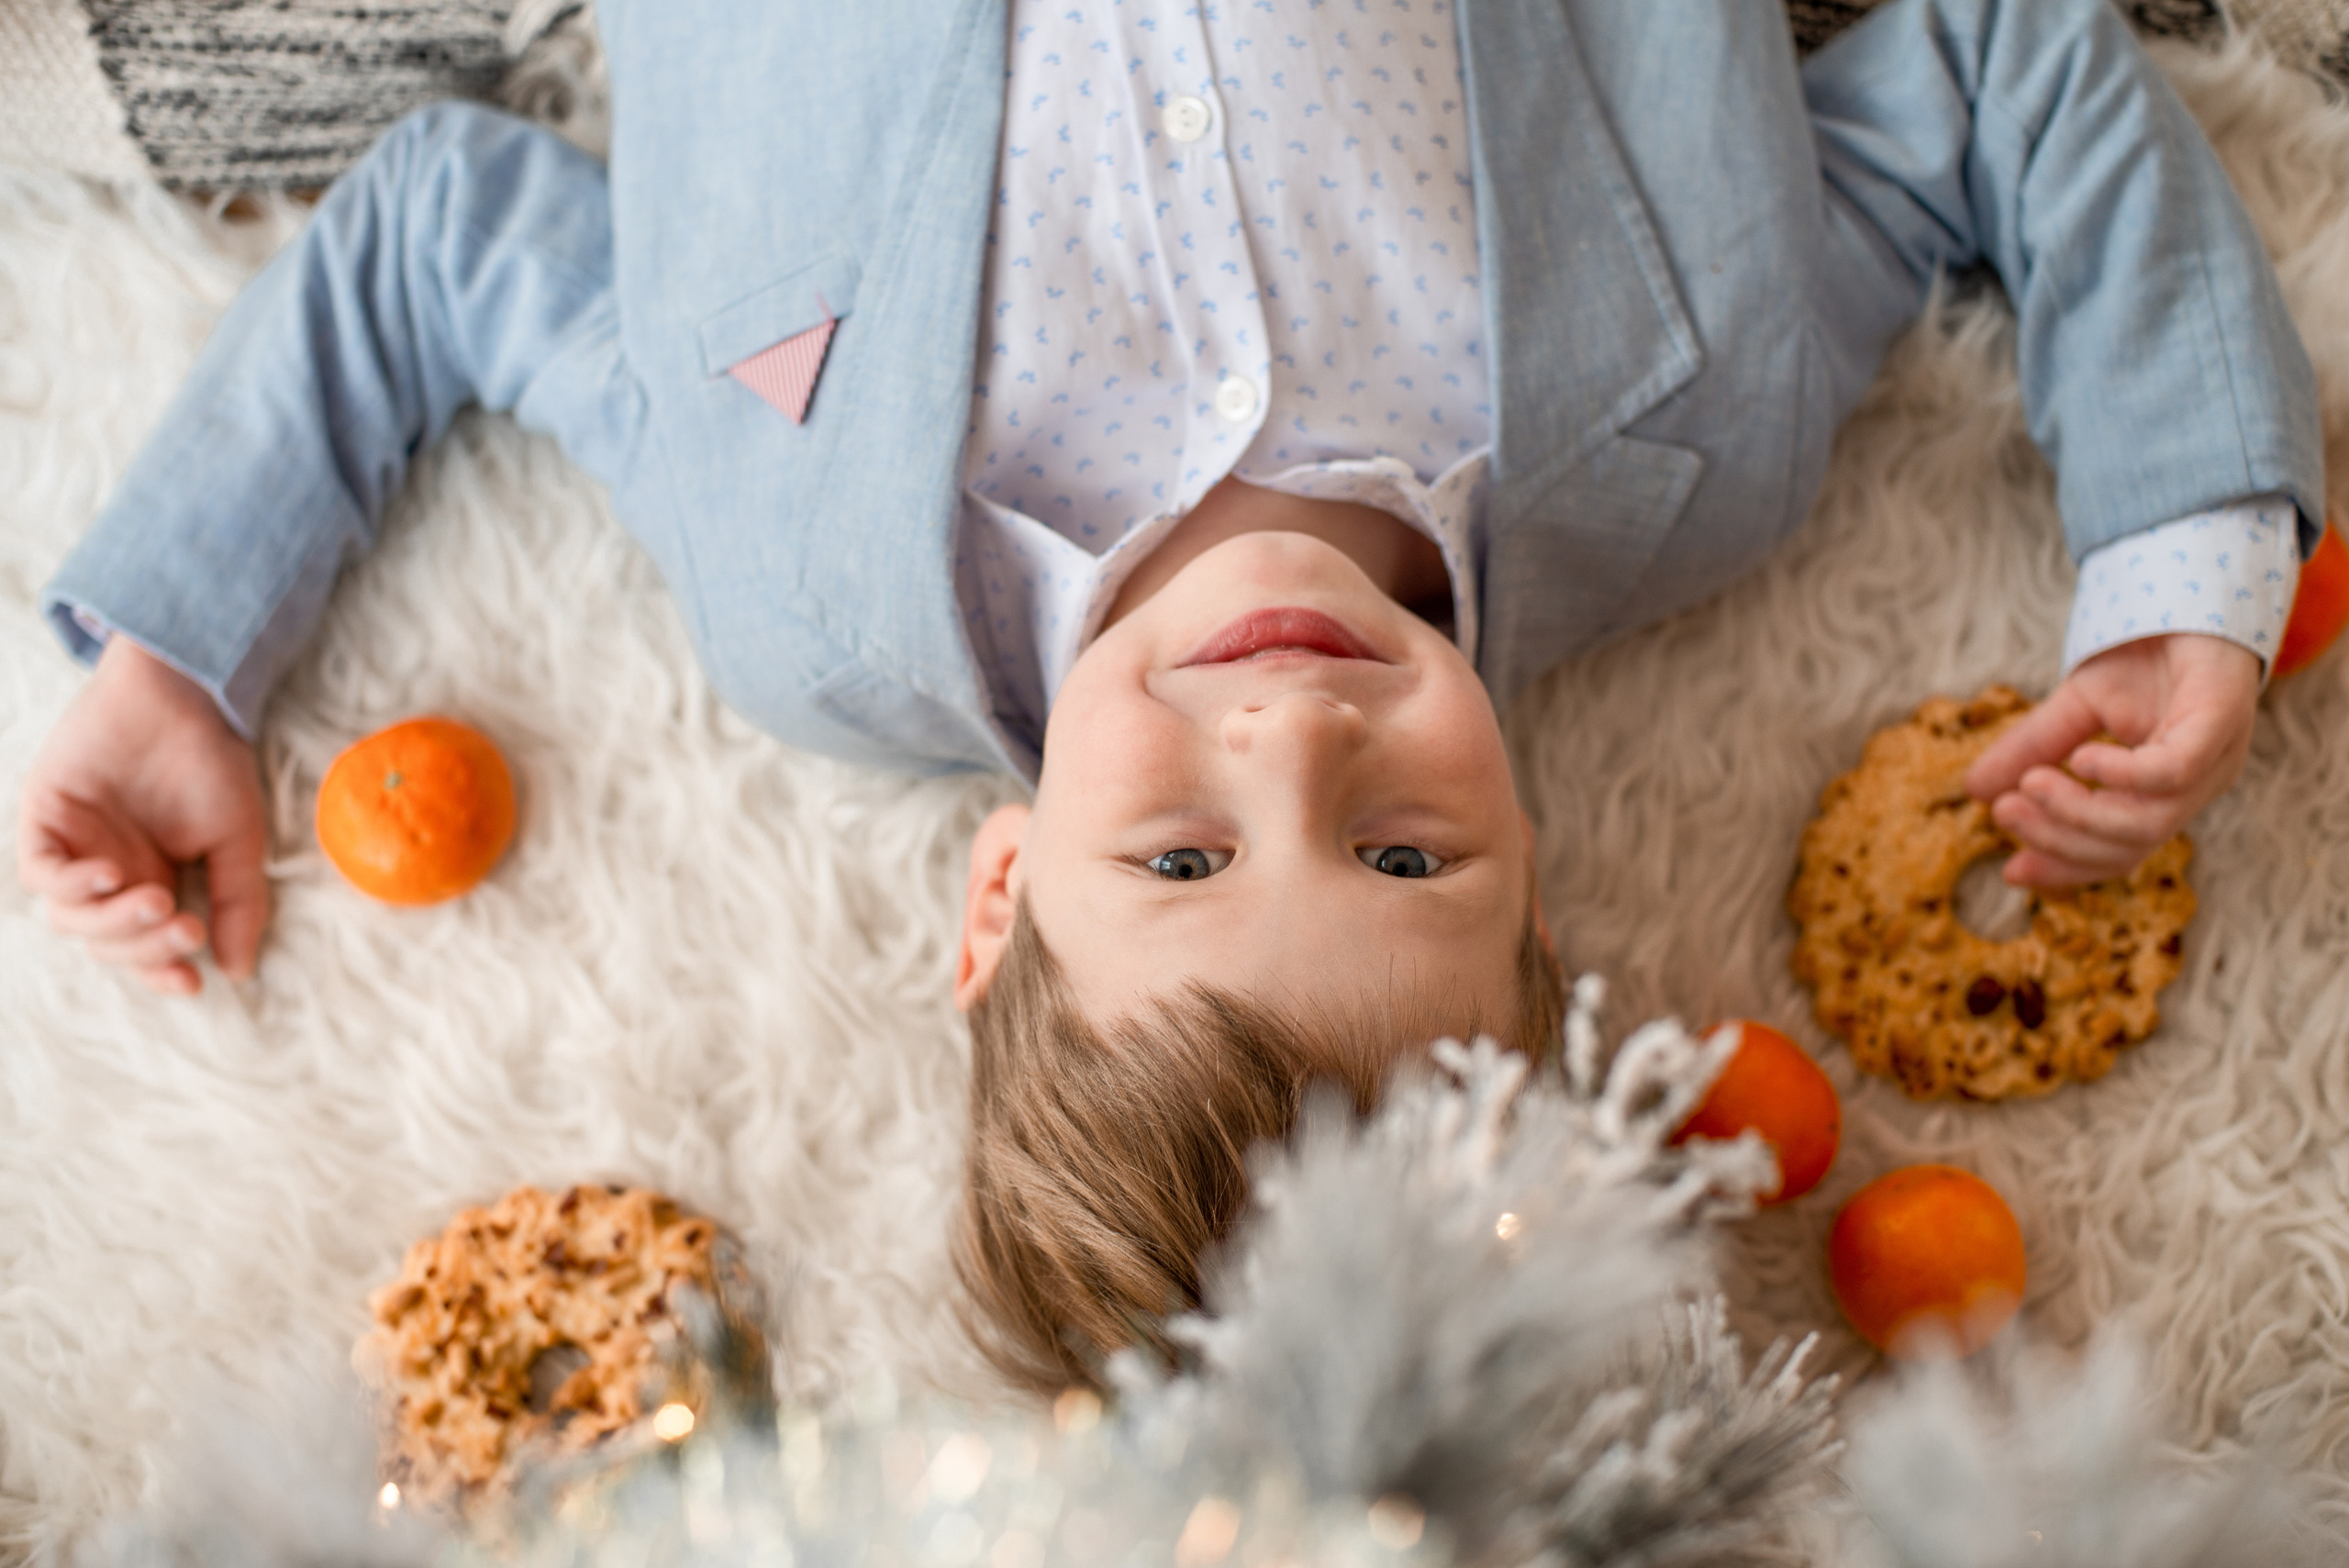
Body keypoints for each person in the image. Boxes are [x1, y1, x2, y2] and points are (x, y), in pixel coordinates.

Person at [15, 0, 2322, 1389]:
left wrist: (178, 649)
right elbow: (2008, 61)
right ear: (1537, 889)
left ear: (1000, 892)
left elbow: (433, 229)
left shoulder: (791, 584)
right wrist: (2178, 552)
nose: (1299, 737)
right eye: (1405, 853)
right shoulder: (1699, 436)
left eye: (1182, 857)